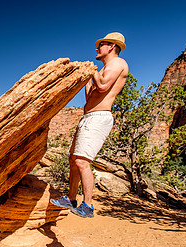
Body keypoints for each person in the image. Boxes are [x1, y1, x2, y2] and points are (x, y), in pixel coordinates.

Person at [50, 32, 129, 218]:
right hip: (88, 117)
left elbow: (102, 86)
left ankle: (88, 205)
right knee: (73, 160)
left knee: (82, 161)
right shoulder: (103, 69)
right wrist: (87, 78)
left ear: (111, 46)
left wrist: (90, 70)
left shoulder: (118, 63)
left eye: (100, 45)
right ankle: (71, 199)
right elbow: (90, 96)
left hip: (99, 117)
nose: (96, 48)